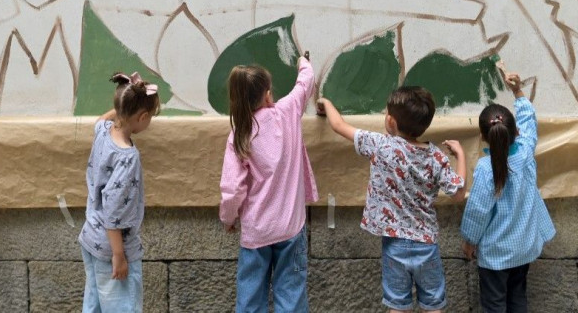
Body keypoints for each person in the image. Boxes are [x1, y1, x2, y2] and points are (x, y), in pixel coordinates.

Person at [317, 87, 466, 313]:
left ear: (391, 121)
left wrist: (325, 102)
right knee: (434, 305)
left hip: (394, 244)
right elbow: (458, 193)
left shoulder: (380, 145)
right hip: (426, 244)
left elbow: (338, 126)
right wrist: (461, 155)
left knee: (397, 305)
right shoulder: (436, 157)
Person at [219, 53, 318, 313]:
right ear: (267, 95)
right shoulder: (288, 111)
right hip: (290, 229)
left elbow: (232, 189)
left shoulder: (239, 134)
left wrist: (228, 219)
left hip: (256, 233)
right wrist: (302, 62)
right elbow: (305, 83)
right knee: (291, 296)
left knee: (250, 300)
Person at [460, 71, 555, 313]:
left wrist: (470, 240)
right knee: (517, 300)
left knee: (494, 306)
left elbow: (478, 210)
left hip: (495, 256)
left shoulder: (485, 169)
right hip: (523, 249)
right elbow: (529, 121)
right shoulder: (525, 153)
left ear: (483, 137)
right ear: (516, 133)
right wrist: (518, 91)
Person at [78, 71, 160, 313]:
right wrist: (119, 256)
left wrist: (122, 107)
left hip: (91, 237)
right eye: (151, 117)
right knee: (122, 306)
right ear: (142, 117)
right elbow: (114, 211)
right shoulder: (127, 158)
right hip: (112, 247)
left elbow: (100, 120)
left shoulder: (103, 131)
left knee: (94, 303)